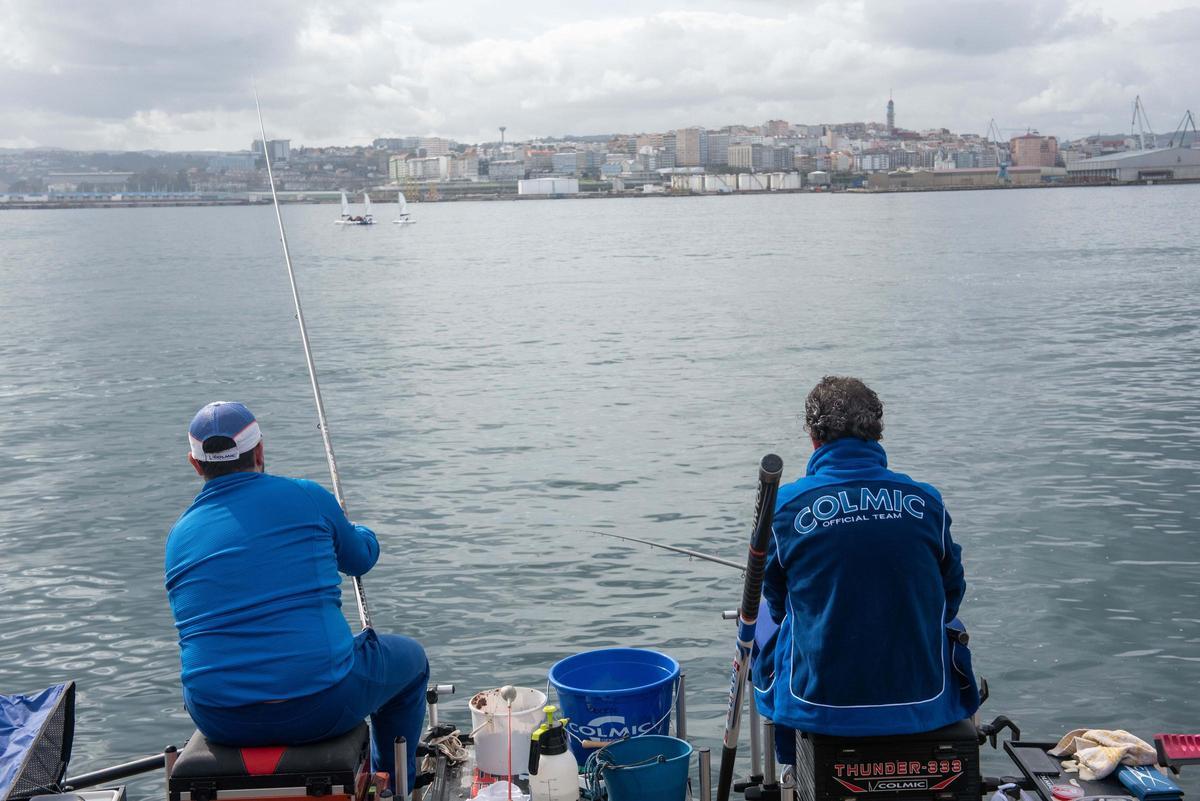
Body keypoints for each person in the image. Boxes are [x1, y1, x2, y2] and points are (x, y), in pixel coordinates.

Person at [165, 401, 428, 792]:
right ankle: (389, 785)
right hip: (320, 706)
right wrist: (361, 531)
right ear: (259, 452)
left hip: (218, 718)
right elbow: (360, 559)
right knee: (411, 663)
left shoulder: (177, 538)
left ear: (195, 464)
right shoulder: (307, 497)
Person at [753, 377, 979, 764]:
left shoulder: (785, 505)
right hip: (921, 698)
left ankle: (792, 769)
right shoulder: (926, 501)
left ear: (814, 436)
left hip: (819, 703)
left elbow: (775, 600)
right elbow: (950, 594)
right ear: (877, 432)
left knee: (762, 624)